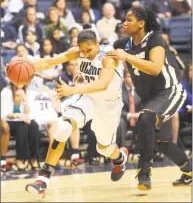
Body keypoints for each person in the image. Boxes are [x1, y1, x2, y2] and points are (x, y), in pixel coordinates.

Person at [25, 23, 128, 198]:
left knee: (104, 148)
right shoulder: (79, 51)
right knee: (64, 127)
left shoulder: (108, 56)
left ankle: (119, 158)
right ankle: (43, 179)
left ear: (96, 44)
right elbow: (51, 61)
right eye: (82, 51)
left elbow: (102, 84)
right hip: (87, 98)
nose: (85, 54)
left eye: (89, 50)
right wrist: (27, 65)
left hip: (108, 105)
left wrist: (71, 90)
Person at [106, 6, 192, 190]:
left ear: (141, 23)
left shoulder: (155, 39)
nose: (124, 22)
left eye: (129, 19)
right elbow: (104, 54)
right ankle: (189, 172)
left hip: (169, 91)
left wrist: (126, 56)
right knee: (162, 143)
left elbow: (155, 67)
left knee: (146, 118)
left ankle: (143, 173)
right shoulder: (124, 44)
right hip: (150, 97)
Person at [1, 82, 40, 170]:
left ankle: (33, 158)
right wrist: (18, 115)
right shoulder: (6, 92)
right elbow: (4, 113)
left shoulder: (27, 92)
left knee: (34, 125)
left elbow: (27, 112)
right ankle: (20, 159)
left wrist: (25, 99)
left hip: (21, 120)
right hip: (8, 121)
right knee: (23, 127)